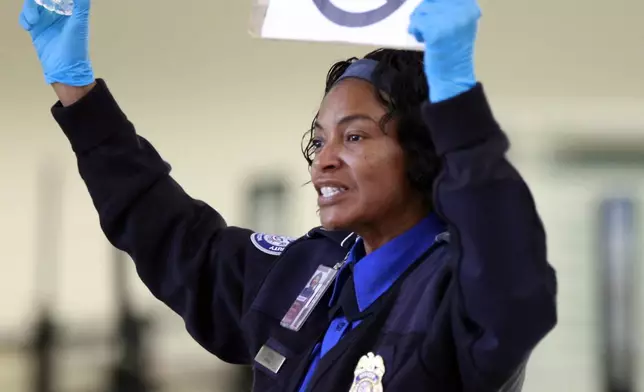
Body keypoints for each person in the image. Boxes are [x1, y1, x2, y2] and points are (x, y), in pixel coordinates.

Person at [19, 0, 558, 390]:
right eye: (318, 138)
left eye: (354, 136)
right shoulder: (309, 271)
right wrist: (80, 94)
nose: (324, 158)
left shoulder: (456, 292)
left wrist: (458, 104)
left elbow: (512, 279)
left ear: (423, 151)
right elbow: (179, 241)